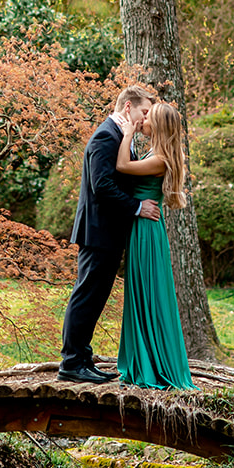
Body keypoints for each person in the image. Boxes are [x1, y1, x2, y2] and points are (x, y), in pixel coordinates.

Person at [59, 85, 159, 384]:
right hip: (98, 232)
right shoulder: (106, 135)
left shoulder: (120, 135)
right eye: (144, 112)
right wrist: (137, 206)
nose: (145, 119)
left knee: (94, 296)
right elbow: (101, 186)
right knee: (86, 296)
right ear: (128, 107)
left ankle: (83, 359)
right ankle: (72, 363)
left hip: (107, 233)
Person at [114, 101, 197, 390]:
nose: (143, 119)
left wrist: (126, 133)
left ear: (158, 126)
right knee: (141, 292)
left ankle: (152, 365)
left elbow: (122, 166)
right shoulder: (155, 153)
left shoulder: (159, 158)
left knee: (147, 292)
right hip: (144, 228)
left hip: (147, 233)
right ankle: (145, 357)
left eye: (148, 116)